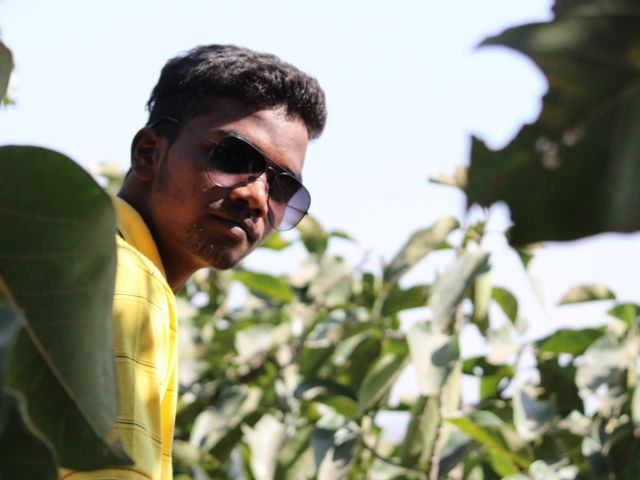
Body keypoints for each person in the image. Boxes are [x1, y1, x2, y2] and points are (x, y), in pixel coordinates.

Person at [60, 44, 326, 480]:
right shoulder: (124, 276)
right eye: (234, 157)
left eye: (282, 189)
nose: (256, 197)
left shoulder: (73, 251)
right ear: (149, 154)